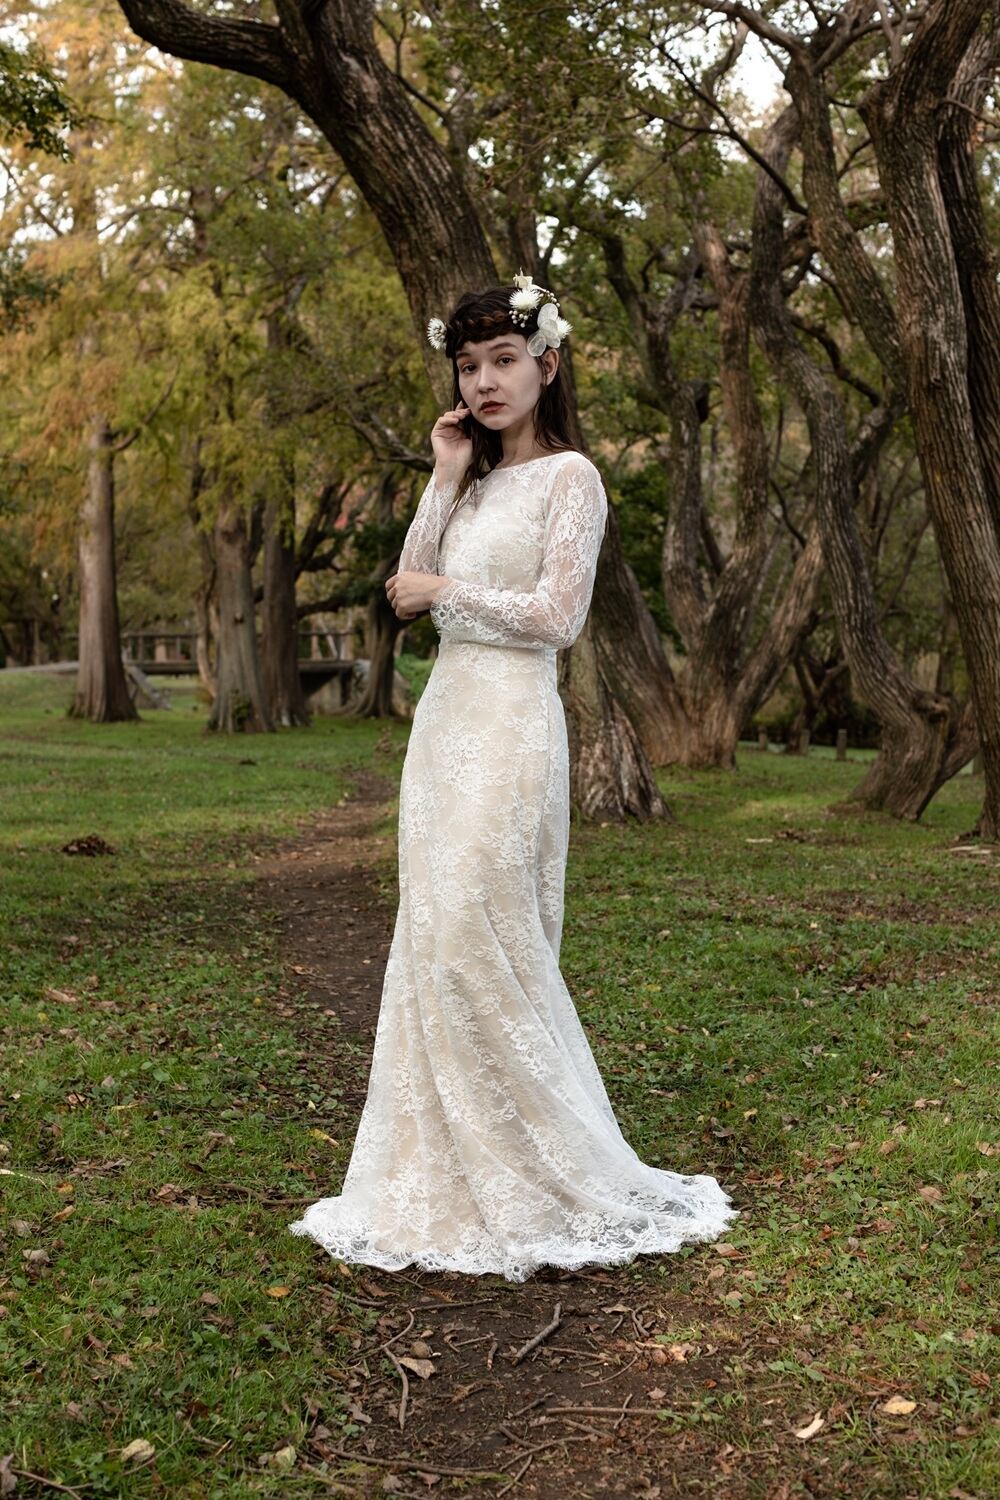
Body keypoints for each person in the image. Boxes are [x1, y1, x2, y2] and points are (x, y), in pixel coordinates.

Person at [288, 276, 739, 1281]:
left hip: (512, 719)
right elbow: (407, 589)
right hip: (446, 720)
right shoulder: (471, 481)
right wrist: (445, 473)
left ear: (547, 363)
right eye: (469, 366)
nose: (485, 382)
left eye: (504, 361)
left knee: (477, 929)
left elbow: (556, 618)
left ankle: (542, 1169)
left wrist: (449, 587)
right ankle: (445, 1168)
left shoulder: (573, 478)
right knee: (432, 931)